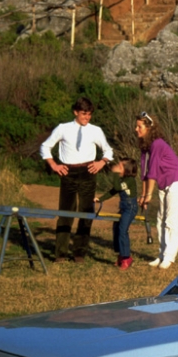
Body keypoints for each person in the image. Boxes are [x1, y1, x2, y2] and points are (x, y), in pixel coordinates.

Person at [40, 97, 113, 262]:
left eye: (89, 114)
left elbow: (108, 151)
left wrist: (101, 162)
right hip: (68, 172)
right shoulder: (63, 128)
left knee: (86, 214)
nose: (87, 117)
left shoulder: (95, 130)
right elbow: (45, 146)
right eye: (84, 114)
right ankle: (61, 253)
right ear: (76, 112)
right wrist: (54, 165)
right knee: (65, 213)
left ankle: (79, 253)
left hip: (88, 171)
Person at [134, 112, 178, 270]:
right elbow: (144, 173)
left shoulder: (157, 144)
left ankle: (169, 257)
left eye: (139, 126)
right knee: (160, 219)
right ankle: (162, 254)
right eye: (136, 126)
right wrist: (143, 195)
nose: (136, 129)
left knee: (172, 220)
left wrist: (149, 194)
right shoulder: (145, 146)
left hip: (176, 181)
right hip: (164, 184)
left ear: (149, 128)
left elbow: (153, 171)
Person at [95, 158, 139, 270]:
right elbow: (113, 191)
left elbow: (117, 187)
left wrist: (114, 173)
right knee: (116, 228)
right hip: (124, 207)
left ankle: (126, 258)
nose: (117, 168)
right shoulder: (122, 180)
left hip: (130, 208)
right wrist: (101, 199)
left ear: (127, 169)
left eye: (120, 167)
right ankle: (120, 255)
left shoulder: (130, 180)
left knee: (123, 231)